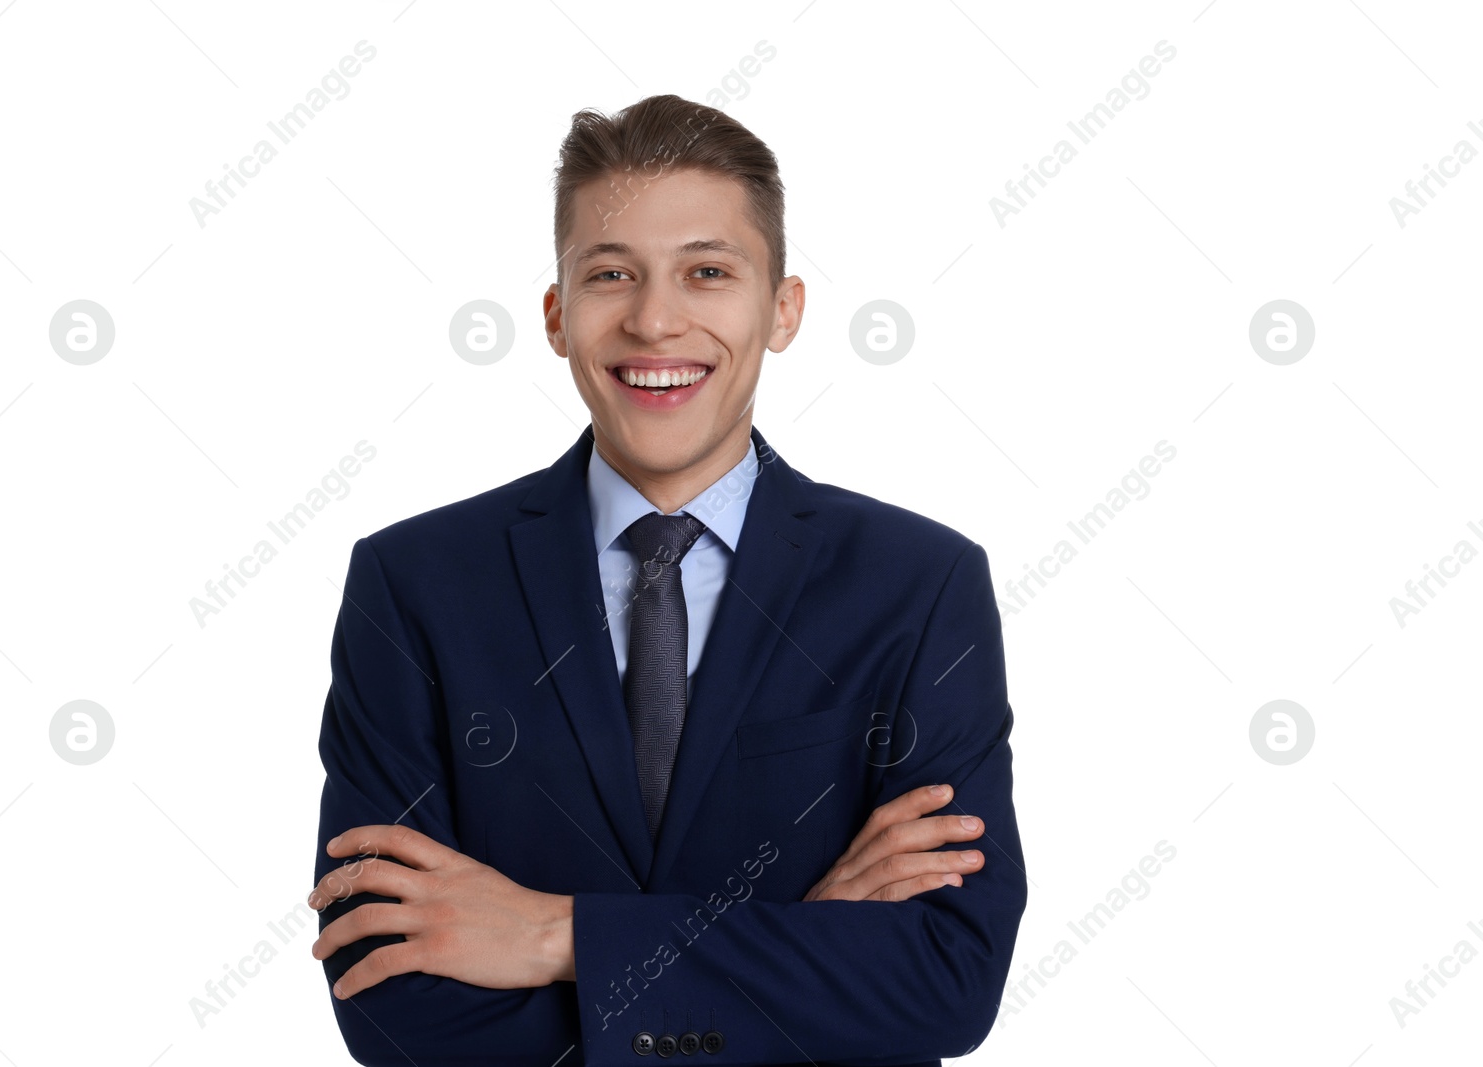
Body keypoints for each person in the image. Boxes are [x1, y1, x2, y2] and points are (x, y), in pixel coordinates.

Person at [308, 93, 1026, 1066]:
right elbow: (388, 999)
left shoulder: (919, 583)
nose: (654, 319)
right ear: (558, 315)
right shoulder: (415, 584)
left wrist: (556, 935)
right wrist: (804, 938)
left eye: (707, 272)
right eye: (612, 274)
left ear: (782, 309)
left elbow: (946, 978)